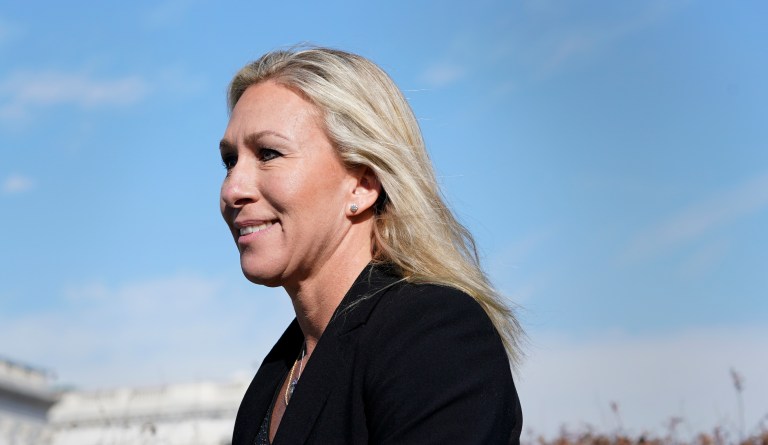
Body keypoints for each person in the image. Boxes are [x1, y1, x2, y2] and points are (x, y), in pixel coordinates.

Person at [219, 46, 524, 445]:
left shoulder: (432, 335)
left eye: (269, 154)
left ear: (362, 184)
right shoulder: (277, 375)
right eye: (229, 161)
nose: (233, 188)